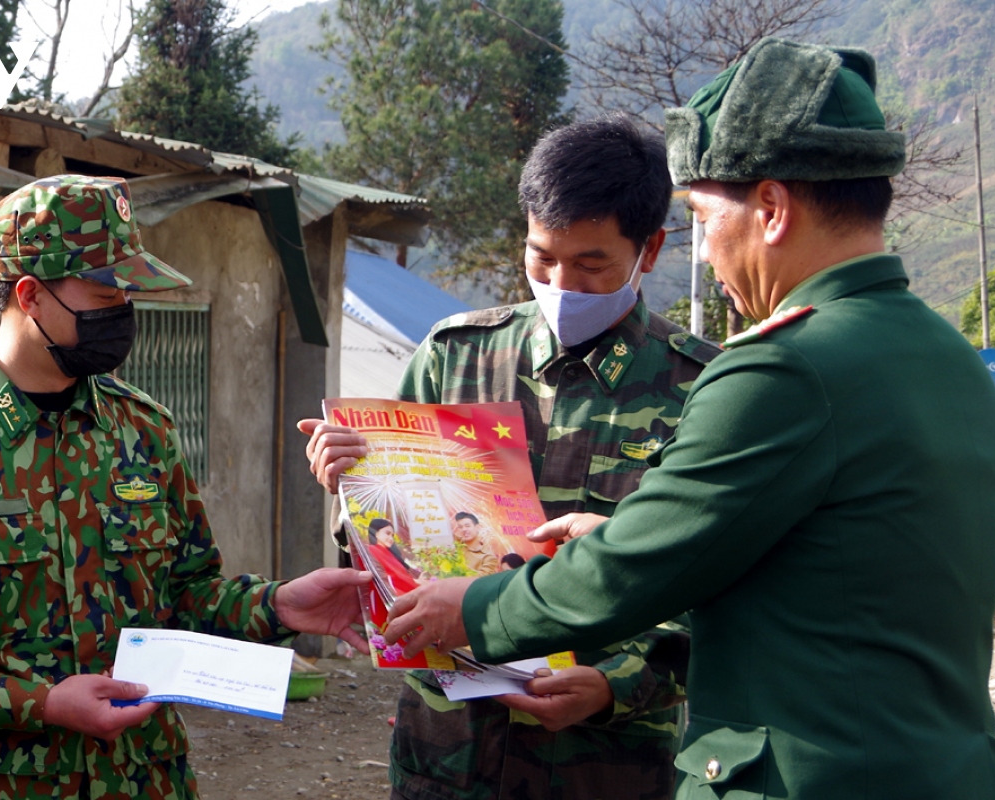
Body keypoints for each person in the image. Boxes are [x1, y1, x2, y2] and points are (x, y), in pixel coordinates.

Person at [384, 38, 995, 800]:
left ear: (770, 210)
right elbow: (822, 559)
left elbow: (634, 573)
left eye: (706, 218)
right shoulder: (946, 357)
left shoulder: (784, 367)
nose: (706, 254)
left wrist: (472, 608)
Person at [0, 174, 371, 800]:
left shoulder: (142, 429)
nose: (123, 311)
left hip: (143, 778)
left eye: (128, 293)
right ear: (31, 296)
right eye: (104, 291)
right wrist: (39, 703)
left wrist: (278, 605)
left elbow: (184, 595)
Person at [301, 113, 719, 800]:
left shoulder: (702, 387)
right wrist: (354, 490)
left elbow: (718, 585)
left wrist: (614, 687)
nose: (561, 283)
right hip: (448, 752)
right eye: (541, 257)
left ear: (649, 250)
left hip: (604, 765)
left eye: (591, 264)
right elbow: (390, 549)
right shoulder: (454, 356)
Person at [369, 518, 422, 594]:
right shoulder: (373, 549)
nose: (391, 538)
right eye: (387, 533)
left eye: (392, 535)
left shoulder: (389, 553)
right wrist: (416, 582)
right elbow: (393, 575)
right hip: (395, 594)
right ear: (376, 533)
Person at [451, 512, 500, 576]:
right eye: (460, 527)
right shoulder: (455, 542)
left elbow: (480, 579)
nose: (464, 529)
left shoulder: (488, 557)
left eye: (467, 526)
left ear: (477, 527)